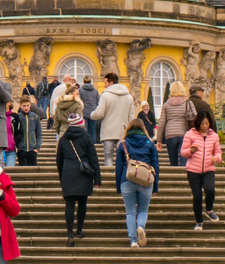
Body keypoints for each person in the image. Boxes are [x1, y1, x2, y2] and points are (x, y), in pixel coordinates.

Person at [54, 109, 99, 246]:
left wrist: (62, 176)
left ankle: (69, 233)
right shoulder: (86, 137)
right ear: (81, 124)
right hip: (83, 173)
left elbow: (59, 160)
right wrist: (97, 178)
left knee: (69, 204)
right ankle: (79, 229)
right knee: (82, 203)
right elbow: (93, 158)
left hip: (68, 172)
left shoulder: (63, 139)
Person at [114, 117, 159, 248]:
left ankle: (133, 240)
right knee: (143, 210)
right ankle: (141, 226)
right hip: (145, 179)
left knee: (130, 212)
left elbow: (118, 166)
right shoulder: (149, 143)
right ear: (143, 128)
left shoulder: (123, 143)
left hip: (127, 179)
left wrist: (118, 186)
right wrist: (155, 186)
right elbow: (156, 165)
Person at [180, 110, 222, 229]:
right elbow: (183, 152)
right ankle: (199, 221)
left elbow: (218, 152)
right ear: (197, 123)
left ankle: (209, 209)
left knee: (210, 190)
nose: (204, 126)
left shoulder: (214, 136)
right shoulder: (190, 134)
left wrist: (216, 158)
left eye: (206, 123)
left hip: (209, 169)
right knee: (197, 196)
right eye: (202, 123)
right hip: (193, 170)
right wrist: (190, 151)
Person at [90, 71, 135, 170]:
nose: (104, 85)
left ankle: (109, 177)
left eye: (105, 82)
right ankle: (123, 177)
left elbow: (99, 113)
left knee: (108, 156)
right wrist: (130, 130)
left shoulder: (105, 96)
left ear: (111, 82)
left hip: (108, 130)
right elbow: (131, 116)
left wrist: (91, 114)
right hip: (123, 131)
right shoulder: (129, 97)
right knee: (124, 156)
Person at [157, 80, 193, 168]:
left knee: (173, 162)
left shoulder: (166, 104)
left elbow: (161, 123)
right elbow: (194, 118)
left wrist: (159, 140)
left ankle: (173, 179)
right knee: (184, 160)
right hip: (184, 134)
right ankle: (183, 179)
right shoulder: (188, 103)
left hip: (170, 134)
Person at [13, 96, 43, 166]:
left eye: (27, 105)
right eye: (24, 106)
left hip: (32, 149)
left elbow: (39, 134)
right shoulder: (18, 117)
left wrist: (37, 148)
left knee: (33, 170)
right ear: (20, 106)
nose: (26, 108)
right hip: (21, 149)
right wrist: (17, 146)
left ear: (30, 105)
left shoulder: (35, 117)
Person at [79, 75, 100, 142]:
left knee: (85, 131)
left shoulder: (80, 91)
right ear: (90, 81)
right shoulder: (95, 91)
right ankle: (93, 146)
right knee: (92, 132)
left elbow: (79, 101)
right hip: (93, 113)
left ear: (84, 81)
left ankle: (85, 146)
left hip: (84, 112)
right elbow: (98, 102)